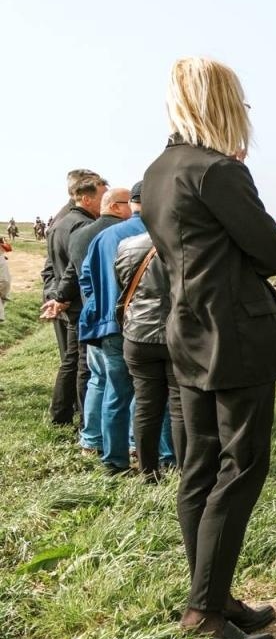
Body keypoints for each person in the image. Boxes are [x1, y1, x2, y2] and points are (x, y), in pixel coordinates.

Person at [142, 56, 276, 639]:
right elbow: (268, 253)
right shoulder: (218, 172)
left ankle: (213, 595)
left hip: (186, 333)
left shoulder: (158, 171)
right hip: (236, 336)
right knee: (242, 468)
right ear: (224, 106)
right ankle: (205, 612)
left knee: (199, 469)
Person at [116, 185, 181, 483]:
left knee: (146, 406)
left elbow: (124, 284)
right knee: (179, 406)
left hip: (138, 335)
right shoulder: (182, 246)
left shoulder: (127, 246)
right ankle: (186, 470)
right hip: (175, 334)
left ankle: (147, 471)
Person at [74, 187, 136, 472]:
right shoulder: (142, 232)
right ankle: (139, 447)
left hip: (105, 324)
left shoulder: (97, 236)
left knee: (109, 387)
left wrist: (100, 303)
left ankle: (108, 454)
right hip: (138, 323)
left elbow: (84, 278)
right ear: (120, 206)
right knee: (142, 390)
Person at [40, 170, 106, 427]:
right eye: (101, 196)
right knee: (81, 363)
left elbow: (52, 267)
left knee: (71, 360)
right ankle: (82, 419)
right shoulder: (81, 225)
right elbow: (77, 267)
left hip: (67, 300)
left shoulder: (60, 222)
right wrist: (62, 296)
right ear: (86, 198)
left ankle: (61, 415)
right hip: (77, 302)